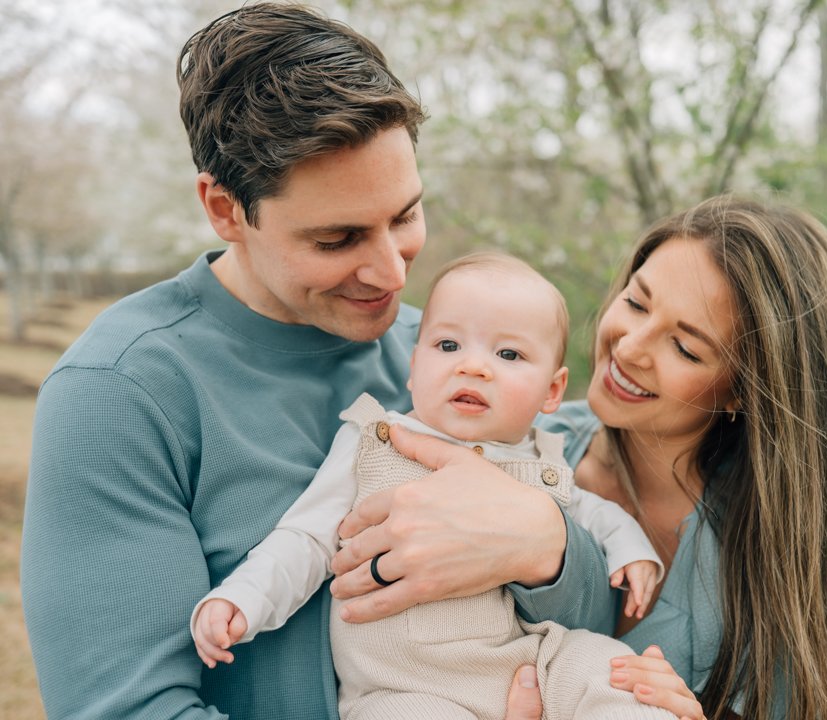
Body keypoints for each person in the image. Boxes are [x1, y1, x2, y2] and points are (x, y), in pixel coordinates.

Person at [20, 5, 606, 719]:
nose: (392, 272)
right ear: (225, 210)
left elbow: (594, 619)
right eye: (338, 239)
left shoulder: (452, 361)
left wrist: (547, 547)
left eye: (405, 215)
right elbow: (129, 709)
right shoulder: (122, 392)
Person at [347, 195, 827, 720]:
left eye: (685, 347)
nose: (630, 346)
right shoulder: (513, 441)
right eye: (636, 303)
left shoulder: (776, 566)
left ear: (745, 390)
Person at [192, 251, 668, 719]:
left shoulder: (541, 461)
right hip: (404, 686)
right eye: (448, 345)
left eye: (508, 354)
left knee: (613, 671)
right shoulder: (373, 440)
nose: (473, 367)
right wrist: (245, 598)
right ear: (414, 365)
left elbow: (593, 512)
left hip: (531, 662)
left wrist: (629, 548)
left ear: (552, 391)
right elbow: (306, 538)